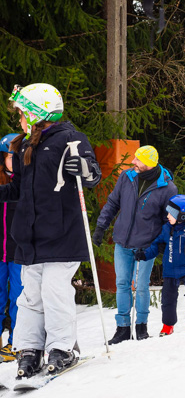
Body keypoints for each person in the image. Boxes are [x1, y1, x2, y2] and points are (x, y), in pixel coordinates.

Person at [0, 83, 101, 376]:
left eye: (21, 113)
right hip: (30, 236)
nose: (19, 119)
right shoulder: (23, 145)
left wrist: (83, 166)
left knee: (55, 292)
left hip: (61, 233)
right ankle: (29, 350)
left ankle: (61, 348)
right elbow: (18, 189)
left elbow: (92, 176)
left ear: (36, 112)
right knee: (30, 296)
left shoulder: (70, 139)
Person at [94, 145, 177, 343]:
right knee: (122, 284)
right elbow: (113, 203)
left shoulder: (167, 187)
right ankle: (122, 328)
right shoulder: (127, 177)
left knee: (141, 286)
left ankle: (141, 326)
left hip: (146, 245)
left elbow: (169, 219)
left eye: (137, 160)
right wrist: (100, 227)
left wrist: (157, 243)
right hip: (122, 241)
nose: (133, 162)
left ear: (148, 163)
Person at [135, 194, 185, 337]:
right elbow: (155, 246)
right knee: (168, 297)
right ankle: (167, 326)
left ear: (182, 216)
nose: (168, 215)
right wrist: (144, 254)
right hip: (170, 269)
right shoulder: (166, 229)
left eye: (171, 213)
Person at [0, 132, 23, 361]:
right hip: (0, 254)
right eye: (7, 156)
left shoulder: (27, 183)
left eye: (14, 156)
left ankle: (17, 343)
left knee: (19, 299)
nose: (11, 160)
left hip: (19, 253)